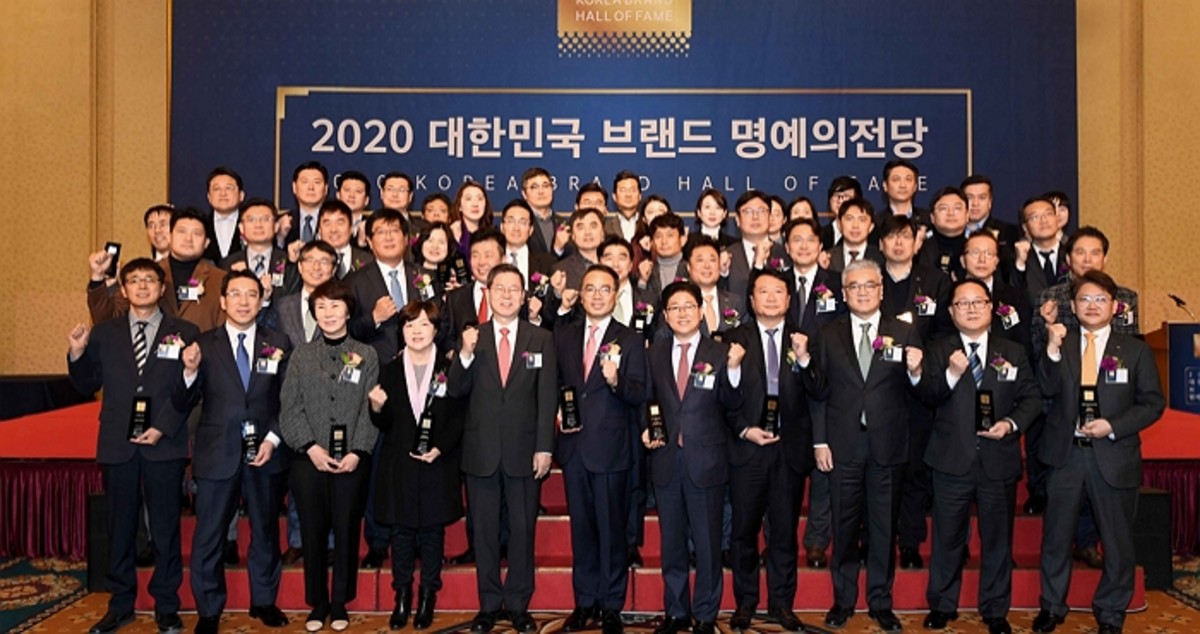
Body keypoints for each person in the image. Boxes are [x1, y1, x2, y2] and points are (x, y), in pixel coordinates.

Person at [67, 258, 199, 634]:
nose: (142, 286)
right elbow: (86, 384)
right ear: (123, 290)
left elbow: (188, 393)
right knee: (120, 528)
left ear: (162, 288)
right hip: (117, 444)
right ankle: (120, 604)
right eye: (135, 281)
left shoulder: (184, 331)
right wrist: (77, 353)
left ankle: (166, 606)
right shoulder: (103, 334)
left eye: (150, 280)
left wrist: (164, 425)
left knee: (165, 530)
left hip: (164, 444)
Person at [1032, 270, 1164, 634]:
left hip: (1113, 454)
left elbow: (1153, 404)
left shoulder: (1135, 350)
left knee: (1118, 542)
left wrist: (1114, 425)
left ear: (1115, 306)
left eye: (1100, 299)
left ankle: (1110, 613)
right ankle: (1051, 606)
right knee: (1056, 538)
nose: (1092, 306)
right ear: (1073, 306)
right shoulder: (1061, 343)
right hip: (1066, 456)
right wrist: (1051, 349)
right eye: (1085, 300)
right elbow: (1044, 389)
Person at [917, 279, 1041, 634]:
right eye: (963, 304)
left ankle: (995, 610)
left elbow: (1032, 399)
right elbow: (926, 395)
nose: (971, 309)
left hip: (997, 459)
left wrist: (1010, 424)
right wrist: (952, 374)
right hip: (950, 460)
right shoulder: (938, 350)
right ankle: (942, 605)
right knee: (947, 538)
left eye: (978, 302)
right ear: (951, 311)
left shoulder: (1013, 351)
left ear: (991, 307)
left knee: (998, 539)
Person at [810, 258, 923, 633]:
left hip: (887, 445)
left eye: (869, 285)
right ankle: (843, 600)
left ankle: (880, 601)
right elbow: (819, 394)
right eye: (854, 286)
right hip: (843, 444)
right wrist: (821, 441)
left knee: (883, 527)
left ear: (881, 290)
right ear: (844, 293)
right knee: (843, 527)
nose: (862, 292)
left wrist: (916, 371)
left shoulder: (903, 331)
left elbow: (918, 390)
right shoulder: (828, 334)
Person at [178, 270, 292, 633]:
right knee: (209, 535)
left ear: (261, 301)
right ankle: (209, 610)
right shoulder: (203, 344)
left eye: (251, 294)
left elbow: (288, 399)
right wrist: (189, 372)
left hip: (266, 452)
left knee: (265, 531)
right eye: (236, 294)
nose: (244, 302)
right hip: (217, 452)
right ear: (223, 301)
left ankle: (264, 601)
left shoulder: (279, 341)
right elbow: (182, 401)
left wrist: (273, 439)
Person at [448, 263, 558, 634]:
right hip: (481, 451)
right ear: (488, 293)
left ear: (524, 295)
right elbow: (455, 390)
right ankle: (489, 605)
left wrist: (544, 447)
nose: (507, 295)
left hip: (525, 451)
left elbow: (547, 398)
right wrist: (464, 355)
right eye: (500, 289)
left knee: (523, 531)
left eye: (514, 289)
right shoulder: (472, 337)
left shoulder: (540, 338)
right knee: (484, 533)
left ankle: (518, 605)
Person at [724, 269, 827, 632]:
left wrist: (804, 359)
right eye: (763, 292)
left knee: (783, 534)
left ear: (788, 299)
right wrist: (743, 428)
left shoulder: (804, 339)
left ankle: (782, 605)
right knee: (743, 533)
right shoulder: (733, 339)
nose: (770, 298)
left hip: (788, 450)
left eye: (778, 292)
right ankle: (746, 603)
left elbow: (820, 391)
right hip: (747, 448)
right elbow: (723, 397)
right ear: (751, 300)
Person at [642, 280, 744, 634]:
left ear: (701, 312)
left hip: (707, 463)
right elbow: (647, 400)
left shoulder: (720, 352)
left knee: (707, 544)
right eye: (675, 308)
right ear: (665, 316)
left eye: (689, 306)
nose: (682, 313)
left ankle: (705, 614)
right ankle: (676, 611)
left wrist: (734, 371)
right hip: (667, 461)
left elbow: (733, 405)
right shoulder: (654, 353)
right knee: (671, 544)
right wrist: (645, 428)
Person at [279, 280, 379, 633]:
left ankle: (339, 602)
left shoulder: (366, 354)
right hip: (309, 459)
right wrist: (310, 447)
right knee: (313, 530)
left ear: (349, 311)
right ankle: (318, 602)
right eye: (321, 307)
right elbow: (289, 407)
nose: (328, 313)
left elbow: (370, 409)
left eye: (335, 305)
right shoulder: (301, 355)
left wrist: (358, 451)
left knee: (347, 528)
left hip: (352, 459)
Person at [555, 265, 648, 634]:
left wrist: (616, 380)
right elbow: (556, 384)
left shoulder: (631, 339)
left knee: (611, 532)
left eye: (604, 289)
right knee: (582, 531)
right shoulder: (564, 335)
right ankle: (584, 602)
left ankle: (611, 605)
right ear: (581, 294)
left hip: (611, 449)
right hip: (574, 447)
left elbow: (640, 392)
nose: (597, 295)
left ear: (616, 294)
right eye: (590, 288)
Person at [368, 300, 464, 630]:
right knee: (402, 533)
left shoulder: (449, 368)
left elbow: (459, 417)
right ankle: (402, 595)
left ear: (435, 330)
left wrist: (440, 448)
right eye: (409, 325)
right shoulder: (390, 369)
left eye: (424, 324)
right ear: (401, 331)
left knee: (433, 533)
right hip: (400, 465)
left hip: (438, 462)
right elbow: (385, 424)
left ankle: (427, 595)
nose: (417, 331)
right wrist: (376, 408)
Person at [266, 240, 337, 566]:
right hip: (290, 403)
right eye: (311, 260)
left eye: (325, 262)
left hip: (332, 402)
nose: (317, 267)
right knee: (298, 478)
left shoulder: (342, 304)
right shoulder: (283, 306)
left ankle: (331, 542)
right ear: (300, 265)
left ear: (334, 269)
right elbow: (269, 345)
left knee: (330, 475)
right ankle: (297, 540)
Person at [88, 206, 227, 332]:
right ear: (170, 237)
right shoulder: (146, 274)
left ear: (206, 242)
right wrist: (97, 278)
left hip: (201, 350)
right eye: (181, 231)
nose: (188, 239)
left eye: (196, 233)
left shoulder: (220, 279)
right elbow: (108, 320)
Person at [220, 198, 297, 297]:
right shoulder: (227, 264)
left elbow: (292, 301)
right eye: (251, 220)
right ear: (241, 228)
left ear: (276, 226)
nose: (258, 225)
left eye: (265, 219)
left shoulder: (289, 264)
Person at [721, 190, 784, 302]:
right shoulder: (726, 257)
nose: (755, 217)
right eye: (748, 211)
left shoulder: (785, 254)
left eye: (761, 211)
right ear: (737, 220)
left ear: (770, 217)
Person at [916, 187, 970, 281]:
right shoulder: (919, 247)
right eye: (943, 209)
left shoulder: (975, 247)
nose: (951, 213)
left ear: (967, 215)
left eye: (957, 208)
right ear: (932, 217)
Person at [318, 200, 375, 280]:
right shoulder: (311, 263)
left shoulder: (370, 261)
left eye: (340, 223)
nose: (333, 229)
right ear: (319, 230)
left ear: (351, 228)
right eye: (327, 224)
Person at [825, 197, 881, 275]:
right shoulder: (827, 258)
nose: (855, 225)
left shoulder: (882, 258)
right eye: (849, 219)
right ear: (839, 225)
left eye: (862, 220)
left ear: (871, 227)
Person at [520, 167, 569, 256]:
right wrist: (557, 250)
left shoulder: (564, 223)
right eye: (534, 187)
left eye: (545, 186)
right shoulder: (520, 224)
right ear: (524, 194)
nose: (541, 191)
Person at [280, 161, 330, 246]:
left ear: (326, 189)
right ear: (294, 187)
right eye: (305, 182)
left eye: (317, 182)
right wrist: (280, 238)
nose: (311, 187)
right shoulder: (283, 222)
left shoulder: (335, 223)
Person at [203, 166, 246, 263]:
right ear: (209, 197)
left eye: (229, 188)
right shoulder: (202, 225)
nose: (223, 193)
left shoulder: (250, 224)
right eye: (217, 189)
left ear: (241, 195)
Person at [450, 181, 494, 269]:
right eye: (468, 199)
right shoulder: (449, 234)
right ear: (459, 206)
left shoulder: (493, 235)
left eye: (480, 199)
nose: (475, 204)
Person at [819, 176, 862, 248]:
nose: (840, 201)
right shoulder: (820, 235)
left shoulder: (866, 233)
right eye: (836, 195)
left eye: (846, 196)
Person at [605, 170, 645, 243]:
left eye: (633, 190)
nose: (628, 194)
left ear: (640, 196)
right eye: (623, 190)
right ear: (614, 196)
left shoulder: (647, 224)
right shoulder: (605, 226)